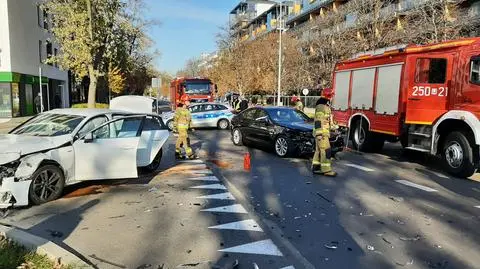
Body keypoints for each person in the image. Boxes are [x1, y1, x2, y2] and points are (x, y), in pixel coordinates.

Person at [312, 88, 337, 177]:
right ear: (329, 96)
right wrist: (319, 134)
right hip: (322, 134)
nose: (332, 98)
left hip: (323, 132)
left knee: (318, 151)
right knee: (326, 150)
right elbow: (318, 121)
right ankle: (326, 170)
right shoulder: (321, 107)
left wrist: (333, 127)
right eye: (332, 96)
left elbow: (325, 120)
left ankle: (316, 168)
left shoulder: (324, 106)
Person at [174, 95, 195, 159]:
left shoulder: (187, 110)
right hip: (181, 129)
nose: (189, 102)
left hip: (185, 129)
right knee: (186, 141)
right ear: (184, 101)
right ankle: (190, 155)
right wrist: (175, 128)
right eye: (188, 101)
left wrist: (191, 127)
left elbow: (189, 120)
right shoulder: (179, 110)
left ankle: (177, 153)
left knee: (179, 141)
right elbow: (175, 119)